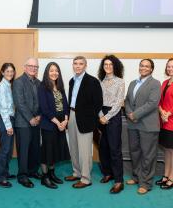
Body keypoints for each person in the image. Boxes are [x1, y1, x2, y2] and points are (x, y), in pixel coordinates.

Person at [65, 56, 103, 188]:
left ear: (85, 66)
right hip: (72, 115)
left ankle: (86, 178)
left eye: (81, 64)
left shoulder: (93, 81)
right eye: (75, 64)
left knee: (85, 150)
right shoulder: (71, 81)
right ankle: (76, 173)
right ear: (73, 65)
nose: (77, 66)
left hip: (86, 119)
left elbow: (98, 103)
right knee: (74, 147)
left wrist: (91, 119)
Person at [125, 59, 161, 195]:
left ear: (151, 69)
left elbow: (152, 103)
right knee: (135, 152)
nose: (143, 68)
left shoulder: (155, 84)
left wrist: (135, 114)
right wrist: (129, 113)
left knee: (148, 155)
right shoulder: (133, 83)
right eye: (142, 65)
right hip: (132, 124)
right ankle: (136, 177)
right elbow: (127, 100)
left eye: (147, 66)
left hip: (148, 125)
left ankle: (146, 183)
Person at [38, 62, 70, 189]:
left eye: (56, 70)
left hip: (61, 123)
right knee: (47, 151)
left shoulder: (60, 86)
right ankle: (45, 177)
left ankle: (52, 174)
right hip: (49, 124)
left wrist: (66, 120)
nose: (54, 73)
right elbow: (44, 109)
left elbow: (66, 104)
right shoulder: (42, 87)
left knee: (55, 150)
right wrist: (58, 123)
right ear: (47, 72)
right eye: (51, 70)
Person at [98, 55, 125, 194]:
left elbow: (119, 102)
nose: (108, 66)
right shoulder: (100, 81)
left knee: (114, 149)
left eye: (111, 64)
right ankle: (108, 173)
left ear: (115, 66)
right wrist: (101, 116)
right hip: (101, 115)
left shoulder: (120, 82)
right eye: (105, 64)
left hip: (113, 116)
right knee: (103, 147)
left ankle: (119, 181)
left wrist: (107, 116)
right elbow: (97, 101)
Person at [13, 57, 41, 188]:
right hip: (23, 122)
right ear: (25, 67)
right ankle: (22, 176)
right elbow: (20, 103)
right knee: (23, 150)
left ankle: (32, 171)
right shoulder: (18, 82)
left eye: (36, 67)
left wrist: (39, 116)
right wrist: (30, 118)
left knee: (34, 148)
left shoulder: (39, 83)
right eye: (31, 66)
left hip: (37, 121)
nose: (33, 68)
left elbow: (42, 102)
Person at [0, 63, 16, 188]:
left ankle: (5, 173)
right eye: (7, 71)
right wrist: (8, 126)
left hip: (9, 119)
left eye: (12, 71)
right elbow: (3, 108)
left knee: (8, 150)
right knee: (4, 150)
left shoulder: (8, 85)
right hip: (4, 120)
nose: (10, 73)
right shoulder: (2, 86)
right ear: (2, 72)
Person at [157, 58, 173, 189]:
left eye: (172, 66)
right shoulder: (164, 82)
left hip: (171, 121)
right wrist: (162, 112)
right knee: (167, 150)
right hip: (164, 122)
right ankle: (166, 175)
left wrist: (168, 113)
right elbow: (159, 101)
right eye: (168, 66)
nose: (170, 69)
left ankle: (172, 177)